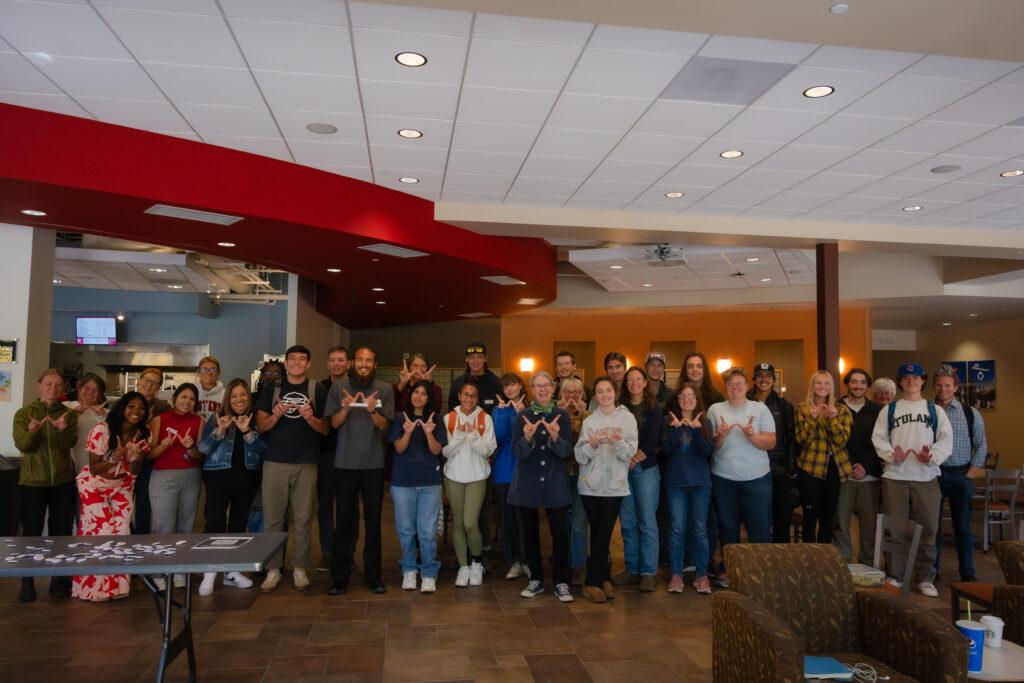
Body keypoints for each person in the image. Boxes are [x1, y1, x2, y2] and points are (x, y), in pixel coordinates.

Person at [871, 362, 953, 598]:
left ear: (923, 381)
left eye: (915, 378)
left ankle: (925, 576)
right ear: (900, 382)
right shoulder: (889, 410)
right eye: (906, 379)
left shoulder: (935, 410)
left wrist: (932, 457)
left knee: (928, 528)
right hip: (895, 477)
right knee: (894, 529)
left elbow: (946, 440)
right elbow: (878, 437)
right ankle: (896, 574)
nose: (911, 382)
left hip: (926, 477)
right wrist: (890, 454)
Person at [256, 345, 329, 593]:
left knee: (304, 519)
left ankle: (300, 568)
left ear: (309, 364)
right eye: (292, 359)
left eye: (302, 359)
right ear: (286, 363)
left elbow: (326, 429)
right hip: (275, 462)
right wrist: (276, 415)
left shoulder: (316, 389)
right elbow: (261, 427)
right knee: (273, 519)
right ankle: (274, 569)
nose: (297, 363)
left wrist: (309, 417)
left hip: (307, 463)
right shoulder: (272, 389)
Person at [326, 345, 395, 596]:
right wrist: (345, 408)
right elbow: (332, 424)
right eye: (360, 360)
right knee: (343, 521)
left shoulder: (384, 390)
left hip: (373, 466)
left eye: (369, 360)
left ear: (375, 364)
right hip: (344, 464)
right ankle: (339, 577)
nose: (364, 364)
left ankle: (373, 576)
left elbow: (385, 427)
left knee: (374, 522)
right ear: (353, 362)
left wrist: (372, 411)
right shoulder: (338, 388)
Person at [73, 392, 149, 601]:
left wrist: (134, 460)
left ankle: (117, 588)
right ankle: (93, 589)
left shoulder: (143, 433)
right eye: (131, 406)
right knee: (101, 532)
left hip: (123, 486)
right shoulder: (102, 430)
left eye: (141, 408)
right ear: (121, 408)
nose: (136, 411)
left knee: (122, 533)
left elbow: (136, 469)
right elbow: (95, 469)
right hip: (95, 486)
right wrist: (114, 458)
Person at [12, 369, 78, 602]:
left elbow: (69, 442)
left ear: (63, 389)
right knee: (31, 533)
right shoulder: (24, 413)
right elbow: (23, 445)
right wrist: (33, 432)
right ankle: (27, 581)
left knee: (60, 532)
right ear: (39, 385)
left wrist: (60, 430)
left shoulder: (68, 415)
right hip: (33, 482)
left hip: (63, 481)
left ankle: (58, 580)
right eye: (48, 384)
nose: (53, 388)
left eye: (58, 385)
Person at [707, 367, 776, 587]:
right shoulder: (715, 409)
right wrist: (720, 435)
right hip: (723, 479)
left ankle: (759, 575)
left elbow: (771, 442)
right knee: (727, 528)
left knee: (759, 529)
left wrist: (752, 435)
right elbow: (711, 446)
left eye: (739, 384)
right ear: (725, 387)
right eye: (730, 384)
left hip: (756, 478)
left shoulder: (760, 409)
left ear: (747, 386)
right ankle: (730, 571)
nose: (735, 387)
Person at [197, 379, 265, 596]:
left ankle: (231, 572)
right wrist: (220, 430)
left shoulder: (256, 420)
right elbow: (203, 447)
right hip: (217, 478)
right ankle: (210, 571)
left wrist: (247, 432)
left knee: (238, 525)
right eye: (234, 395)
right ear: (228, 398)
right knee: (215, 523)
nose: (239, 399)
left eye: (243, 394)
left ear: (249, 396)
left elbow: (264, 450)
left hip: (247, 479)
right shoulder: (217, 417)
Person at [510, 371, 574, 602]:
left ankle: (561, 581)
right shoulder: (522, 416)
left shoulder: (562, 416)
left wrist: (556, 438)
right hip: (527, 483)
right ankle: (535, 578)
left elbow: (567, 452)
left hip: (555, 483)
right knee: (529, 533)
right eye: (537, 386)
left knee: (560, 533)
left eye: (546, 385)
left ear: (554, 387)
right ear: (532, 390)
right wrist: (527, 438)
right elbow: (517, 452)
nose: (542, 389)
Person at [574, 376, 637, 603]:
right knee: (598, 531)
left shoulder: (627, 418)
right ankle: (600, 579)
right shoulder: (589, 421)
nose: (604, 395)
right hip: (590, 486)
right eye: (599, 391)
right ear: (595, 396)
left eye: (608, 390)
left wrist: (617, 442)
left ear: (615, 392)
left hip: (614, 486)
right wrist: (591, 445)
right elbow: (579, 455)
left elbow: (629, 453)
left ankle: (594, 580)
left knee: (605, 533)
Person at [388, 379, 447, 593]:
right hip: (403, 482)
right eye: (415, 392)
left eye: (423, 393)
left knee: (427, 531)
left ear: (429, 397)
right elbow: (399, 448)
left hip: (430, 482)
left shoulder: (436, 419)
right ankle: (409, 570)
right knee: (406, 529)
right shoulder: (399, 417)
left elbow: (435, 451)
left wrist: (429, 432)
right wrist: (408, 431)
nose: (418, 396)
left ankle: (429, 572)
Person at [932, 364, 987, 583]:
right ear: (934, 387)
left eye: (947, 385)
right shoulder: (928, 411)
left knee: (963, 527)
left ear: (955, 387)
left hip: (961, 475)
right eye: (939, 385)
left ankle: (968, 573)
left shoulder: (970, 413)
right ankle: (932, 572)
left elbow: (981, 445)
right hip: (933, 476)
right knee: (932, 528)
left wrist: (971, 473)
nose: (943, 389)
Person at [147, 383, 204, 589]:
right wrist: (164, 445)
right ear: (175, 397)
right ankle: (160, 571)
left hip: (191, 476)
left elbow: (200, 455)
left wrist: (190, 448)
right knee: (163, 526)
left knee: (186, 525)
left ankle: (179, 568)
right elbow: (149, 454)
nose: (187, 401)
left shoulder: (199, 421)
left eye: (192, 399)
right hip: (163, 476)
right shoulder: (159, 420)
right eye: (184, 397)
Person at [447, 342, 501, 555]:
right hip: (459, 456)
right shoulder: (457, 383)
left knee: (484, 508)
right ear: (466, 360)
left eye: (480, 357)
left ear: (485, 359)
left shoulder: (495, 382)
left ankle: (483, 551)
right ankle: (462, 554)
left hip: (485, 452)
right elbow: (452, 415)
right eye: (472, 358)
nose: (476, 361)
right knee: (460, 515)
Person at [613, 367, 663, 593]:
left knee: (647, 521)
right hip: (623, 470)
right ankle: (632, 568)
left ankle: (648, 572)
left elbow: (653, 440)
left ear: (645, 383)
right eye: (630, 379)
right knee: (628, 522)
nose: (633, 382)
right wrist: (626, 462)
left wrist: (632, 460)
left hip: (645, 469)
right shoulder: (619, 408)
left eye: (638, 379)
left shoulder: (654, 408)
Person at [442, 381, 497, 587]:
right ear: (459, 396)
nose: (469, 399)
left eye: (473, 395)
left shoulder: (485, 419)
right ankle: (463, 567)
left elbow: (488, 450)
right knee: (457, 523)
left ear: (477, 398)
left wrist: (472, 434)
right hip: (454, 476)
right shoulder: (449, 419)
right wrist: (460, 435)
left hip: (477, 476)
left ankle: (476, 563)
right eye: (466, 395)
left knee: (470, 523)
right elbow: (445, 452)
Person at [676, 351, 724, 581]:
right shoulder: (677, 398)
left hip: (710, 464)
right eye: (690, 366)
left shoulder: (716, 396)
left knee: (708, 519)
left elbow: (712, 437)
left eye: (699, 366)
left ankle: (705, 562)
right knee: (681, 520)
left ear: (705, 369)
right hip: (681, 469)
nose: (694, 370)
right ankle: (685, 562)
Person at [661, 383, 713, 595]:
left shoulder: (705, 421)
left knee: (700, 529)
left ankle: (701, 576)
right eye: (682, 395)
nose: (686, 399)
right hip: (675, 483)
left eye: (691, 395)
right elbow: (665, 450)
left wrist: (696, 430)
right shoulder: (669, 420)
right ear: (678, 399)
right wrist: (674, 430)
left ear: (697, 398)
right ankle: (676, 574)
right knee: (677, 529)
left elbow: (707, 452)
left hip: (700, 482)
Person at [794, 371, 853, 543]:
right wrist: (812, 419)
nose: (823, 387)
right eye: (819, 383)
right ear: (813, 385)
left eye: (826, 384)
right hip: (809, 468)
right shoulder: (801, 409)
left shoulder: (842, 410)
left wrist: (832, 418)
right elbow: (802, 440)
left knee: (828, 518)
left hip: (834, 468)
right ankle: (809, 560)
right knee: (810, 517)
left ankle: (824, 560)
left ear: (831, 387)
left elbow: (841, 440)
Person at [833, 368, 883, 564]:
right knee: (840, 523)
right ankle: (842, 563)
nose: (858, 386)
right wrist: (850, 465)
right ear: (847, 384)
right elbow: (835, 441)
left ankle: (867, 565)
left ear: (867, 386)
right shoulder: (836, 408)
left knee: (869, 525)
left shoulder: (877, 411)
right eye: (854, 382)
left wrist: (865, 466)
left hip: (870, 476)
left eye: (862, 382)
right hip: (843, 475)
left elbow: (880, 443)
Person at [747, 362, 798, 543]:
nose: (764, 379)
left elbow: (792, 439)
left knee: (782, 518)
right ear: (753, 380)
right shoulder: (744, 403)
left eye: (768, 376)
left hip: (778, 470)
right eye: (760, 375)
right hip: (751, 469)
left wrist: (791, 469)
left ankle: (781, 561)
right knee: (756, 518)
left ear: (774, 381)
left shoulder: (785, 406)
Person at [492, 373, 529, 580]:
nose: (509, 389)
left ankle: (527, 560)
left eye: (512, 384)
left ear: (520, 386)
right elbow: (500, 437)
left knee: (525, 519)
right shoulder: (499, 409)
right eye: (505, 386)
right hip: (505, 470)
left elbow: (527, 437)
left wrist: (520, 414)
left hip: (526, 471)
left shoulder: (531, 408)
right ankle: (514, 561)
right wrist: (505, 414)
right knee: (508, 520)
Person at [317, 345, 350, 572]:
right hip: (326, 454)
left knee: (348, 508)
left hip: (351, 455)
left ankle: (347, 553)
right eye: (332, 360)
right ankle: (328, 552)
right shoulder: (319, 388)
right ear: (328, 363)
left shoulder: (357, 387)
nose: (336, 363)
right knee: (325, 506)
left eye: (341, 360)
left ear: (348, 363)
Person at [556, 377, 590, 586]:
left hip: (581, 476)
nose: (571, 396)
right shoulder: (555, 415)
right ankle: (563, 564)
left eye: (576, 392)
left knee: (578, 523)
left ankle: (579, 565)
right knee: (561, 524)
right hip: (558, 476)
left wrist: (583, 413)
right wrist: (562, 414)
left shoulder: (590, 416)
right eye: (567, 392)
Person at [133, 367, 171, 535]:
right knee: (123, 502)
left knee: (143, 502)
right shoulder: (126, 402)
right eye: (147, 380)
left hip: (149, 462)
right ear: (139, 381)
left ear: (158, 387)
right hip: (124, 461)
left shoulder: (163, 406)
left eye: (154, 383)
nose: (149, 385)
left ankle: (140, 538)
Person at [65, 372, 108, 475]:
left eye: (95, 390)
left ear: (100, 394)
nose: (90, 393)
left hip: (96, 467)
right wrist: (75, 412)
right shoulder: (67, 407)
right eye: (86, 388)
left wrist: (101, 417)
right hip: (68, 465)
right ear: (79, 389)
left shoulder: (106, 413)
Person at [195, 356, 225, 422]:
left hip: (216, 431)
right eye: (205, 369)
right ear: (199, 372)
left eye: (213, 369)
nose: (209, 373)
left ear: (218, 373)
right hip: (194, 431)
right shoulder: (192, 392)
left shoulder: (225, 394)